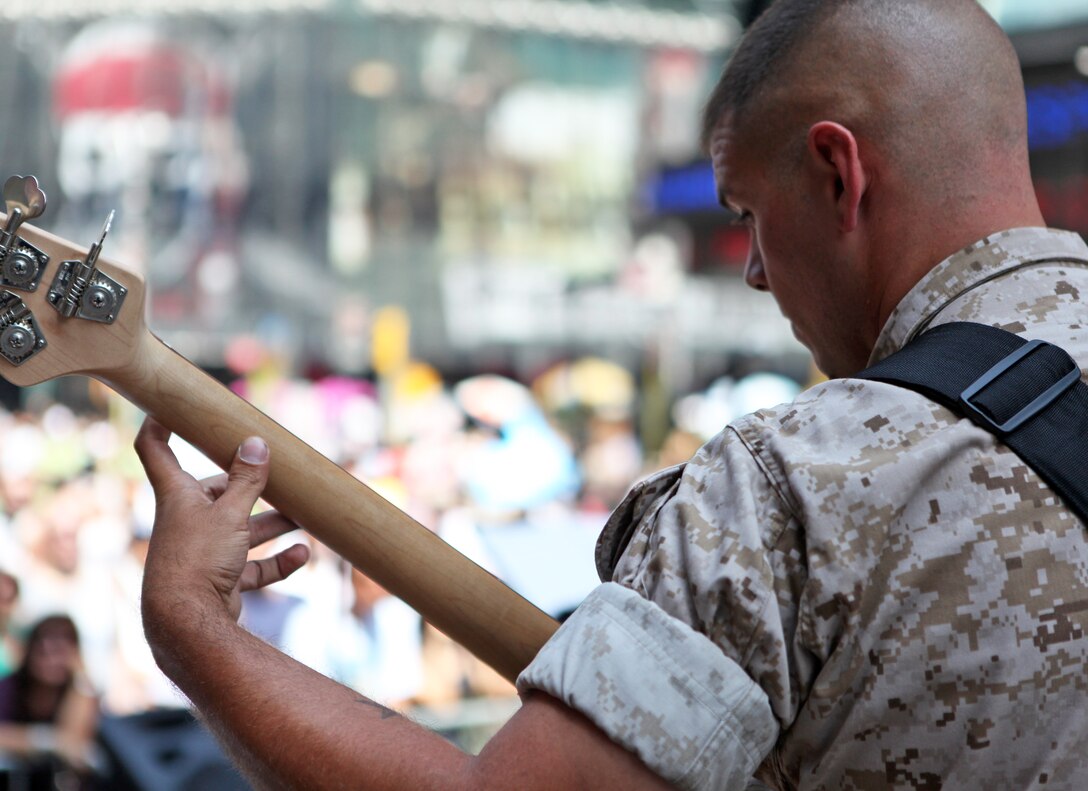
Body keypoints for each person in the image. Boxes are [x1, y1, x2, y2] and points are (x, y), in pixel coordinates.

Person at [135, 0, 1088, 788]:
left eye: (750, 213)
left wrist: (192, 627)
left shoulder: (798, 483)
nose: (755, 270)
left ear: (839, 172)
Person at [0, 615, 99, 790]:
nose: (51, 661)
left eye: (60, 652)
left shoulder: (80, 689)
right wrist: (46, 741)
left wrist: (80, 680)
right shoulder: (10, 686)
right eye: (44, 653)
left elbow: (74, 741)